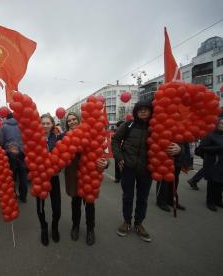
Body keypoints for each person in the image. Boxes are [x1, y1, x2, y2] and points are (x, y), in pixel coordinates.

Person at [64, 112, 108, 246]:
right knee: (75, 202)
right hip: (73, 175)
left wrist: (106, 164)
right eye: (69, 121)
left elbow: (100, 152)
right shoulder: (65, 137)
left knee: (89, 204)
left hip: (88, 175)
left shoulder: (90, 134)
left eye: (74, 119)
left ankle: (90, 230)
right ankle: (75, 226)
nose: (72, 122)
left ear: (79, 120)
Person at [112, 101, 153, 242]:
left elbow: (168, 142)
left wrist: (178, 149)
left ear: (150, 111)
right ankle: (127, 222)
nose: (143, 112)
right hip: (128, 168)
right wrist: (119, 157)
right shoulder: (128, 125)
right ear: (136, 111)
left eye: (146, 109)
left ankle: (139, 223)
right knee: (128, 196)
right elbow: (115, 140)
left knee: (143, 198)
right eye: (140, 110)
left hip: (147, 169)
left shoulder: (155, 127)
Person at [37, 113, 63, 246]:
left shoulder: (58, 138)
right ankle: (44, 227)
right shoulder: (34, 138)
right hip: (39, 178)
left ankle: (54, 226)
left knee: (57, 207)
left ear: (52, 124)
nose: (45, 126)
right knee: (40, 207)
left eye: (48, 123)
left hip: (53, 177)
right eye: (43, 123)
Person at [0, 112, 28, 203]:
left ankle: (13, 196)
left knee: (11, 177)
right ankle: (23, 196)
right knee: (23, 176)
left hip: (10, 153)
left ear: (7, 118)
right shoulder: (23, 126)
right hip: (22, 153)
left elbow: (0, 141)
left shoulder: (3, 127)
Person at [156, 143, 189, 212]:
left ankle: (171, 200)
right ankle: (161, 201)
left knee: (175, 180)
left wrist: (180, 150)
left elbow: (185, 145)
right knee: (164, 181)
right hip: (166, 159)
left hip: (178, 160)